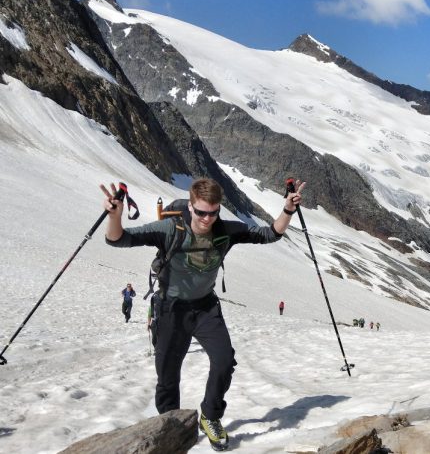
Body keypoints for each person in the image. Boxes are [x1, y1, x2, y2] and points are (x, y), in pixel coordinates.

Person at [101, 177, 304, 451]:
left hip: (206, 307)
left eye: (213, 212)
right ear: (191, 206)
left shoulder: (224, 230)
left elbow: (270, 233)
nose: (207, 219)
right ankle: (171, 426)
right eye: (201, 212)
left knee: (224, 361)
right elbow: (118, 239)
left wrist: (288, 209)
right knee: (168, 376)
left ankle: (210, 416)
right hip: (171, 310)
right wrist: (114, 216)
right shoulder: (170, 229)